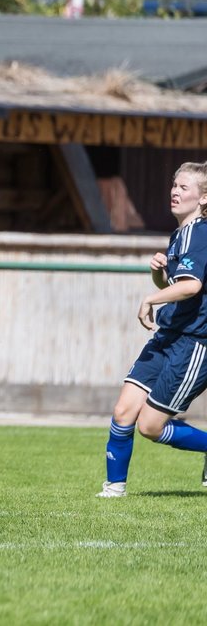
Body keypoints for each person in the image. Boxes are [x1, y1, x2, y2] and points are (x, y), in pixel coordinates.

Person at [99, 161, 207, 497]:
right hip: (168, 336)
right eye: (174, 185)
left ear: (204, 199)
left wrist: (150, 297)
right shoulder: (179, 235)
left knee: (149, 426)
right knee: (123, 411)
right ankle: (114, 488)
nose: (175, 192)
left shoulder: (200, 233)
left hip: (193, 343)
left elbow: (191, 286)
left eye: (184, 187)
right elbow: (178, 283)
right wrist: (160, 274)